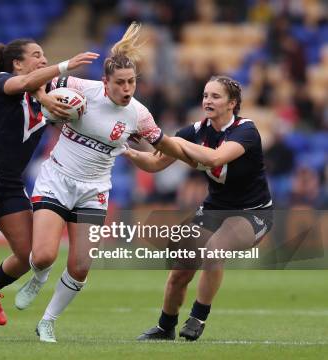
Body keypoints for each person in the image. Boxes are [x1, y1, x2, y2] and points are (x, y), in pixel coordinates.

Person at [11, 22, 194, 342]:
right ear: (105, 82)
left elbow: (157, 157)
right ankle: (39, 276)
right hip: (57, 179)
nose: (127, 89)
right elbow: (32, 83)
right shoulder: (79, 89)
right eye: (120, 83)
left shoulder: (139, 115)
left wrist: (194, 154)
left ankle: (47, 321)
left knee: (81, 266)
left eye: (132, 82)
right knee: (42, 256)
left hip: (94, 190)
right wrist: (46, 98)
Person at [0, 38, 99, 341]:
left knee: (29, 255)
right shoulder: (4, 83)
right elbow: (25, 83)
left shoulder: (45, 95)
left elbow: (43, 91)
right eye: (36, 55)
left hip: (11, 183)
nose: (43, 59)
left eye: (44, 55)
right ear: (16, 63)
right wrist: (64, 65)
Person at [130, 75, 273, 341]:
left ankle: (198, 317)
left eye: (215, 96)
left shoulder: (246, 130)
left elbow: (216, 157)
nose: (208, 100)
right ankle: (165, 327)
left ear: (232, 104)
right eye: (206, 95)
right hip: (213, 210)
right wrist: (126, 151)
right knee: (180, 270)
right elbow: (154, 163)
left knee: (214, 251)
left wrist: (176, 142)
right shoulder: (196, 131)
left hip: (252, 212)